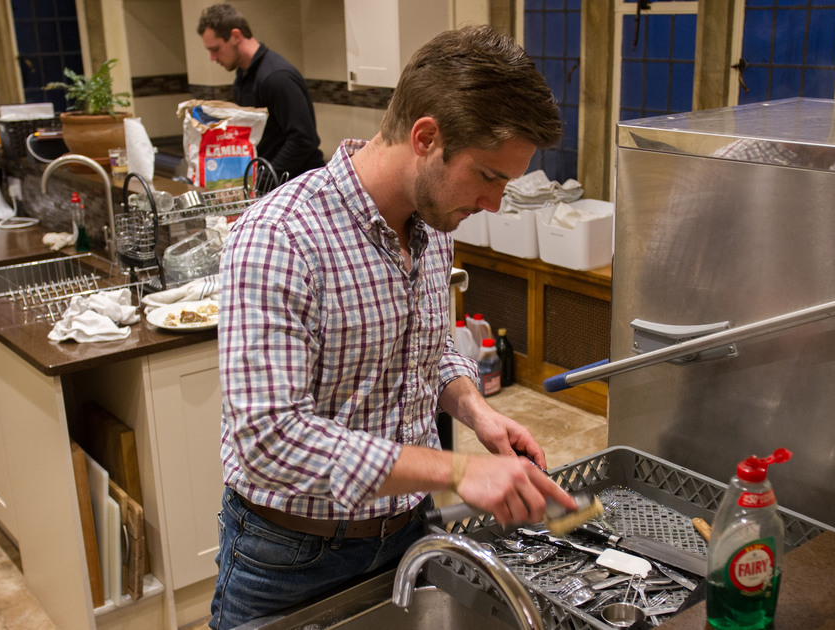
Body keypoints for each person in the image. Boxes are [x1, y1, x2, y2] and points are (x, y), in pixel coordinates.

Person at [210, 25, 575, 629]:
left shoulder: (432, 226)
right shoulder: (280, 236)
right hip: (290, 558)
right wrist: (459, 471)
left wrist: (476, 414)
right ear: (426, 136)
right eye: (489, 176)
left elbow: (427, 350)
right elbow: (269, 439)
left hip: (408, 534)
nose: (493, 204)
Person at [198, 3, 326, 181]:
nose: (213, 58)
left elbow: (303, 140)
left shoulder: (276, 77)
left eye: (216, 49)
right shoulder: (243, 77)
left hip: (298, 186)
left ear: (236, 36)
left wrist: (261, 180)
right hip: (273, 185)